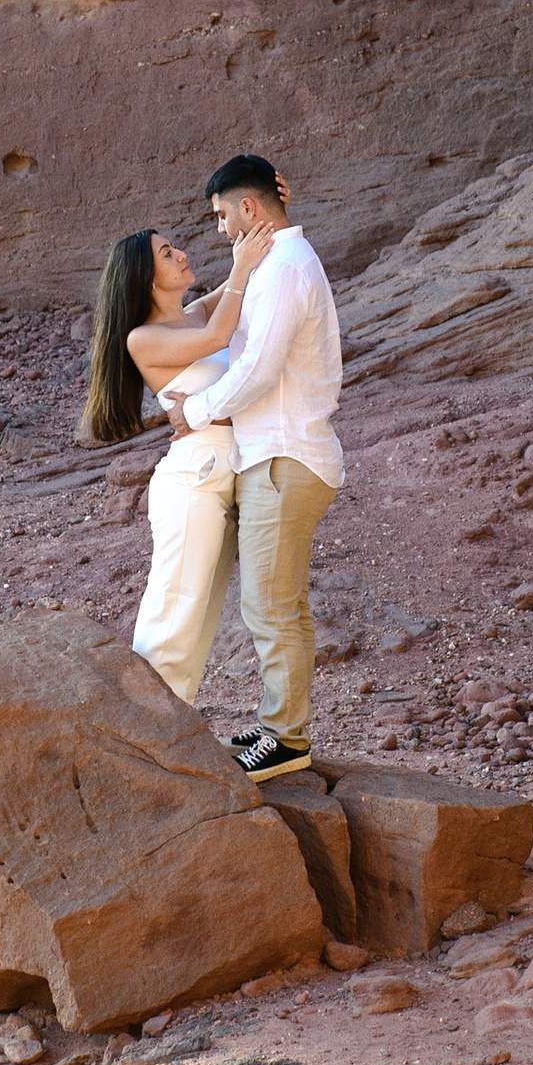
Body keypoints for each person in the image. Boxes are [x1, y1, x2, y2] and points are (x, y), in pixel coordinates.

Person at [168, 153, 342, 781]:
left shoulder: (289, 268)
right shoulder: (274, 262)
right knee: (279, 603)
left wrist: (197, 411)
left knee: (270, 606)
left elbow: (259, 370)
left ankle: (286, 739)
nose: (219, 230)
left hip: (285, 458)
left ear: (248, 208)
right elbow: (209, 319)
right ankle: (281, 724)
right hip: (277, 456)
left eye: (222, 216)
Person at [81, 218, 273, 704]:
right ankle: (141, 734)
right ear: (145, 277)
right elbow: (217, 335)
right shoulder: (142, 337)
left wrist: (258, 233)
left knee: (201, 617)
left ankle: (171, 734)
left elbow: (233, 295)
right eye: (168, 254)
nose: (182, 254)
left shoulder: (189, 314)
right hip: (194, 478)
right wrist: (242, 267)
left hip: (225, 471)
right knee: (174, 613)